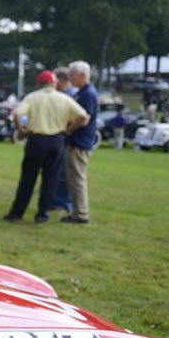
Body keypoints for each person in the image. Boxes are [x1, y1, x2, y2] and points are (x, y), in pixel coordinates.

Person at [4, 70, 89, 225]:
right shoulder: (64, 98)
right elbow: (83, 117)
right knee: (51, 179)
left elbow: (16, 114)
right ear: (55, 83)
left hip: (36, 140)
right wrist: (68, 130)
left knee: (28, 178)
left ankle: (17, 212)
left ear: (39, 84)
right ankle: (42, 215)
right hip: (57, 140)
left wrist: (21, 131)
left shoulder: (32, 97)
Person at [63, 61, 99, 224]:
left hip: (79, 142)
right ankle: (78, 212)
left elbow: (84, 119)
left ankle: (81, 214)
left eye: (72, 75)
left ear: (82, 75)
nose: (70, 78)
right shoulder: (82, 92)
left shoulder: (87, 94)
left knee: (77, 179)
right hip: (78, 141)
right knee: (73, 178)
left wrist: (68, 130)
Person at [49, 67, 77, 213]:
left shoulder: (69, 96)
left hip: (66, 138)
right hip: (61, 138)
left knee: (63, 173)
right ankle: (56, 202)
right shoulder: (69, 94)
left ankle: (63, 204)